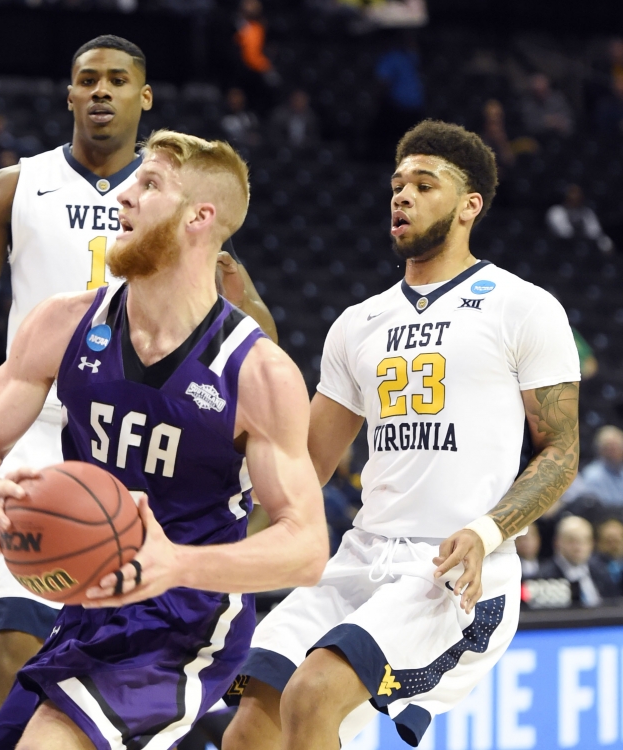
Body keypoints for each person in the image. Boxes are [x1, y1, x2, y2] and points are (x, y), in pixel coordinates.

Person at [0, 34, 277, 707]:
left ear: (144, 96)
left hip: (147, 436)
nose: (102, 90)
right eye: (89, 79)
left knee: (135, 657)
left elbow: (257, 342)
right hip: (41, 425)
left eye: (118, 80)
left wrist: (238, 294)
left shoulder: (181, 199)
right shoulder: (17, 185)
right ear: (68, 94)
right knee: (14, 652)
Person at [0, 129, 328, 750]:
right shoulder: (64, 321)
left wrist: (176, 564)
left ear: (200, 218)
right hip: (86, 612)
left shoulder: (257, 372)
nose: (122, 195)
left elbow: (307, 548)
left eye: (149, 185)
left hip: (187, 622)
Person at [223, 120, 581, 750]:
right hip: (362, 557)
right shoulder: (358, 323)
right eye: (397, 184)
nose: (402, 196)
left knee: (313, 693)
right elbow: (306, 464)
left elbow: (561, 450)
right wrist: (209, 552)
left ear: (470, 206)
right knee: (251, 727)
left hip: (456, 568)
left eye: (424, 183)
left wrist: (487, 529)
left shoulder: (522, 306)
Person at [537, 516, 619, 607]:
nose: (578, 547)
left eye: (584, 540)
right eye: (572, 541)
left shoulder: (601, 572)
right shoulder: (543, 577)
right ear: (557, 542)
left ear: (592, 544)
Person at [562, 425, 623, 509]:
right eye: (610, 447)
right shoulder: (592, 474)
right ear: (600, 450)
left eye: (617, 446)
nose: (615, 451)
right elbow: (596, 507)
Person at [546, 184, 614, 253]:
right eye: (572, 194)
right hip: (562, 247)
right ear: (566, 197)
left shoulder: (587, 212)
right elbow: (564, 233)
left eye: (578, 195)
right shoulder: (556, 211)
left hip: (586, 245)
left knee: (606, 242)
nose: (575, 198)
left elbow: (595, 232)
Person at [521, 73, 573, 138]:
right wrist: (547, 123)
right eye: (537, 91)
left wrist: (558, 123)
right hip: (538, 139)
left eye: (543, 90)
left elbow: (568, 121)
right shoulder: (527, 104)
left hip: (561, 138)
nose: (540, 94)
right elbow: (530, 126)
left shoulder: (558, 99)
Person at [595, 518, 623, 589]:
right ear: (600, 543)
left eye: (616, 541)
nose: (613, 545)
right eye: (608, 541)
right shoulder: (593, 566)